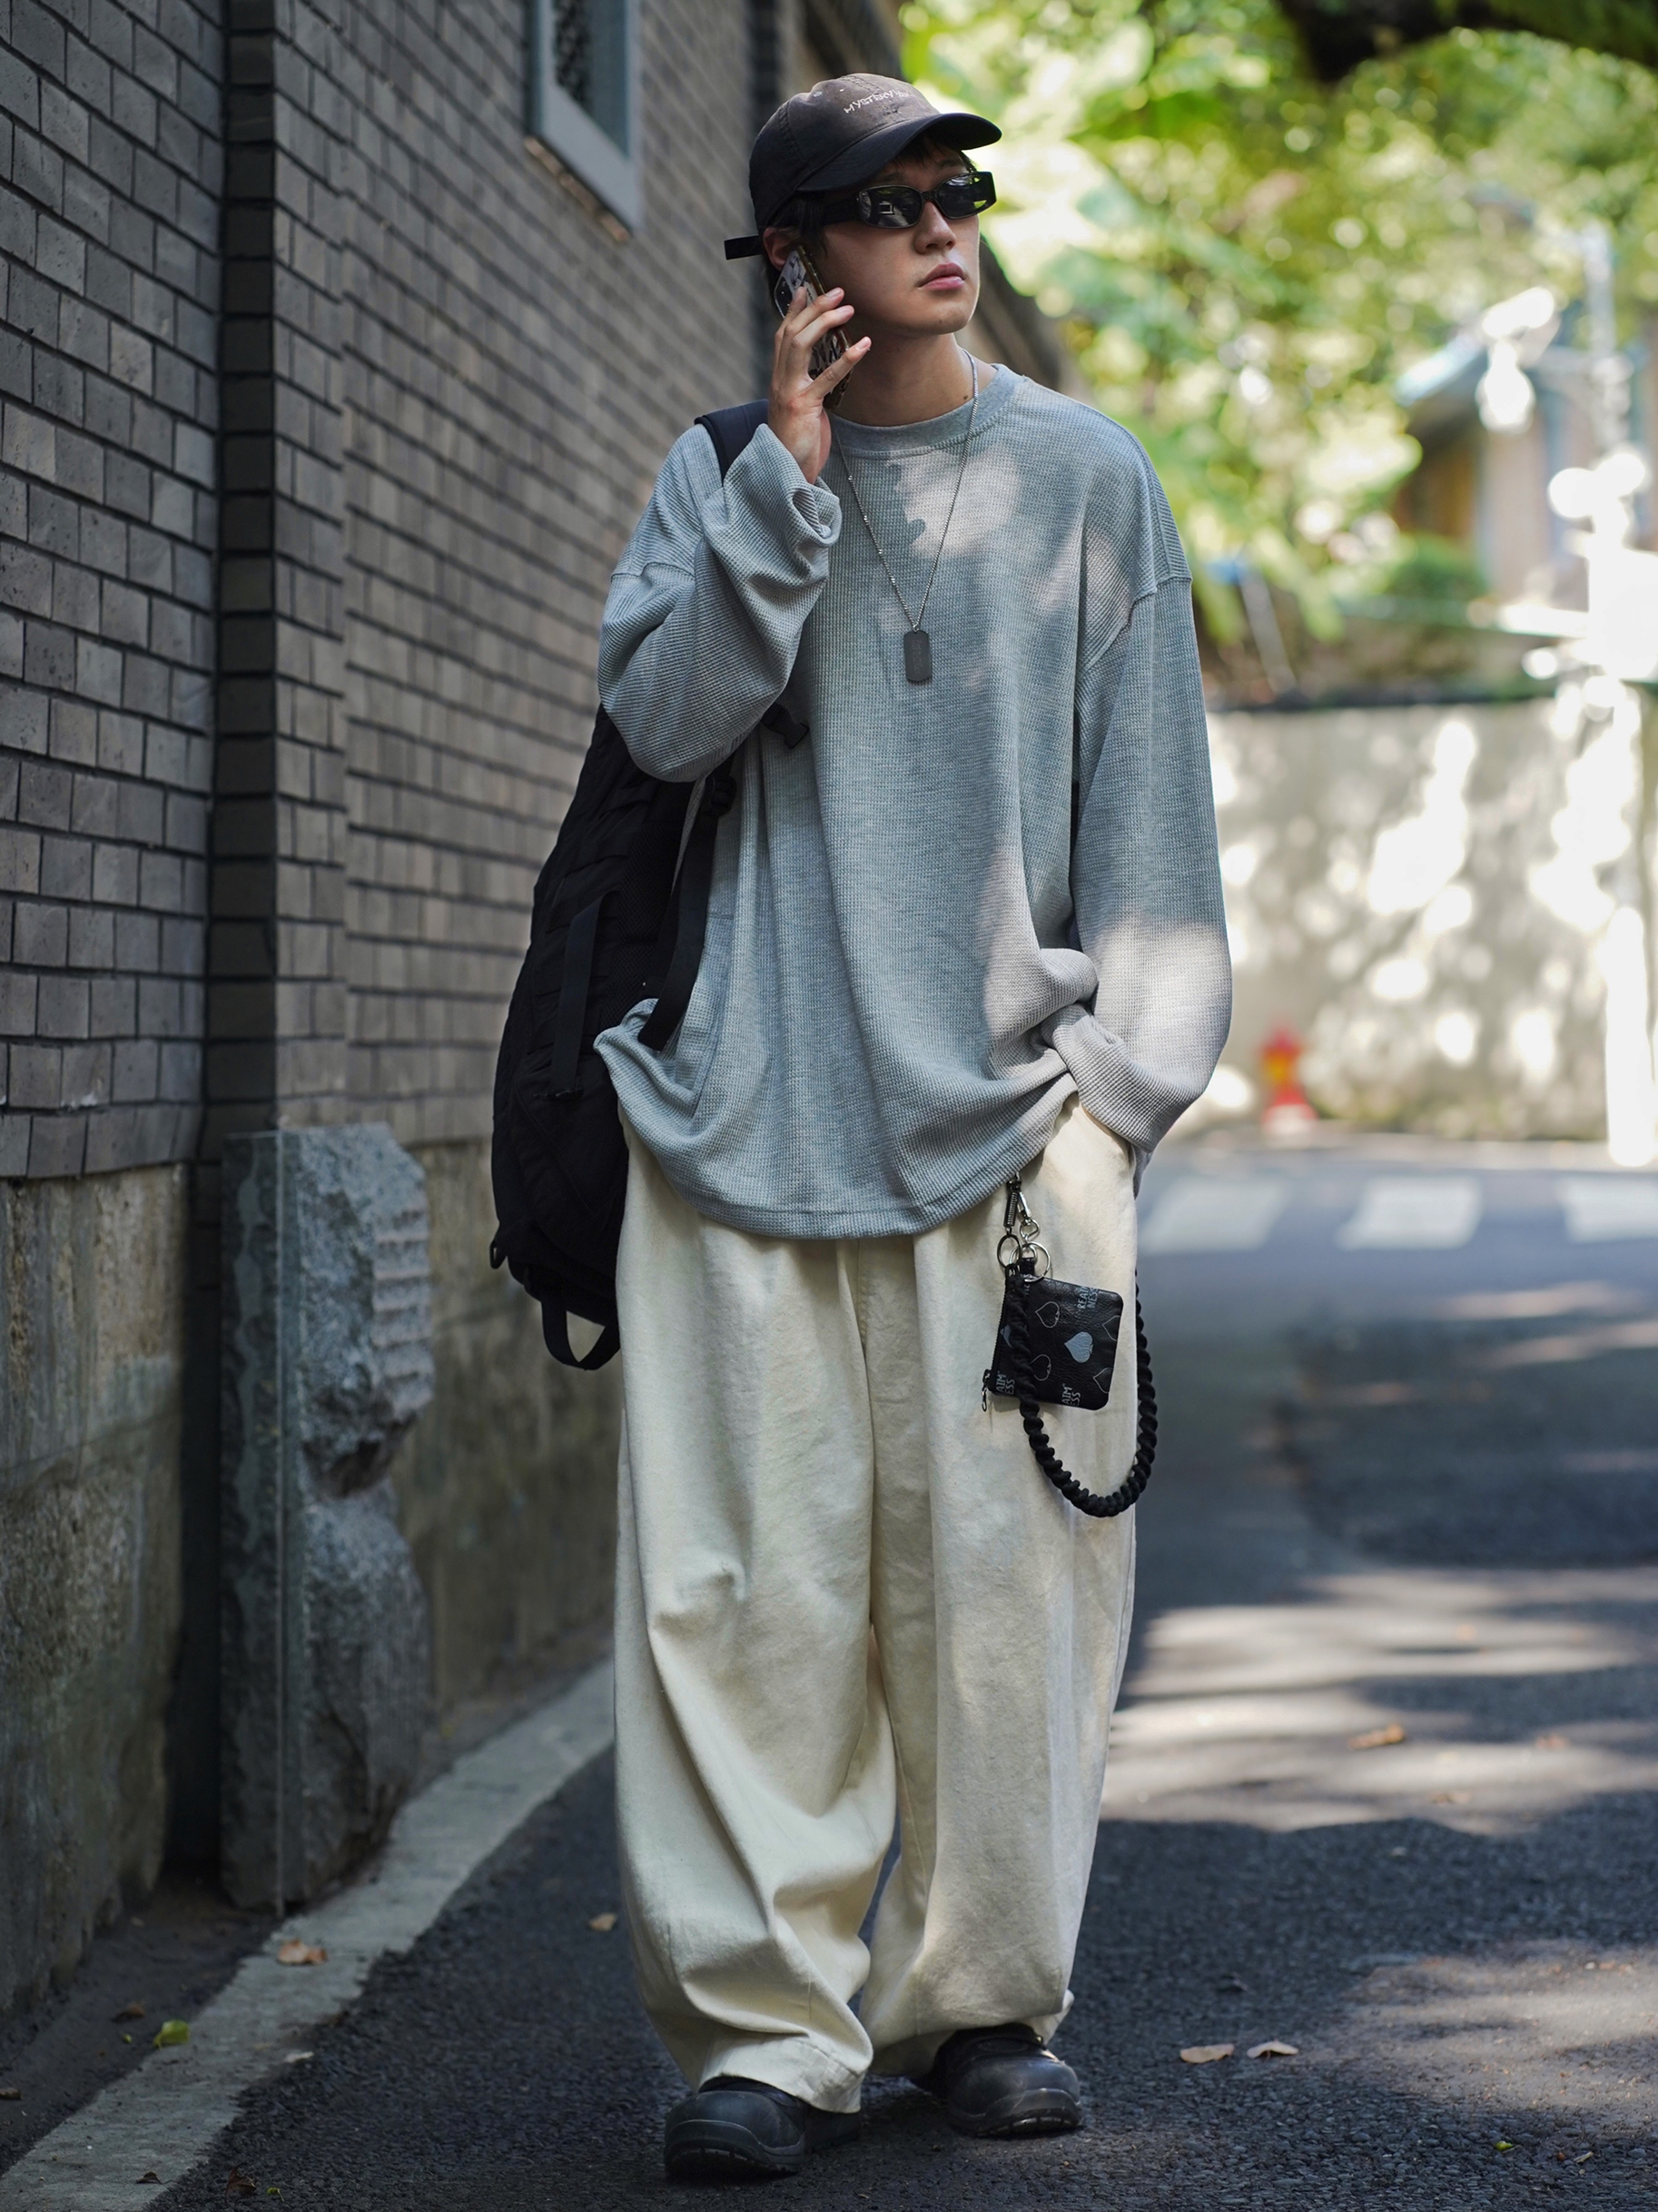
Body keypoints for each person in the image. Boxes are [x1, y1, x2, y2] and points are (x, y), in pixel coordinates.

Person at [593, 73, 1230, 2184]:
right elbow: (667, 720)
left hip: (1019, 1143)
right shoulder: (715, 477)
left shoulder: (1086, 478)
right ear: (801, 262)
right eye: (890, 204)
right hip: (744, 1127)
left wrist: (1114, 1112)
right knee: (739, 1602)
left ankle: (979, 2007)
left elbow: (1152, 822)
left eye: (958, 191)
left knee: (1010, 1603)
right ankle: (764, 2035)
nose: (943, 226)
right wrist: (783, 488)